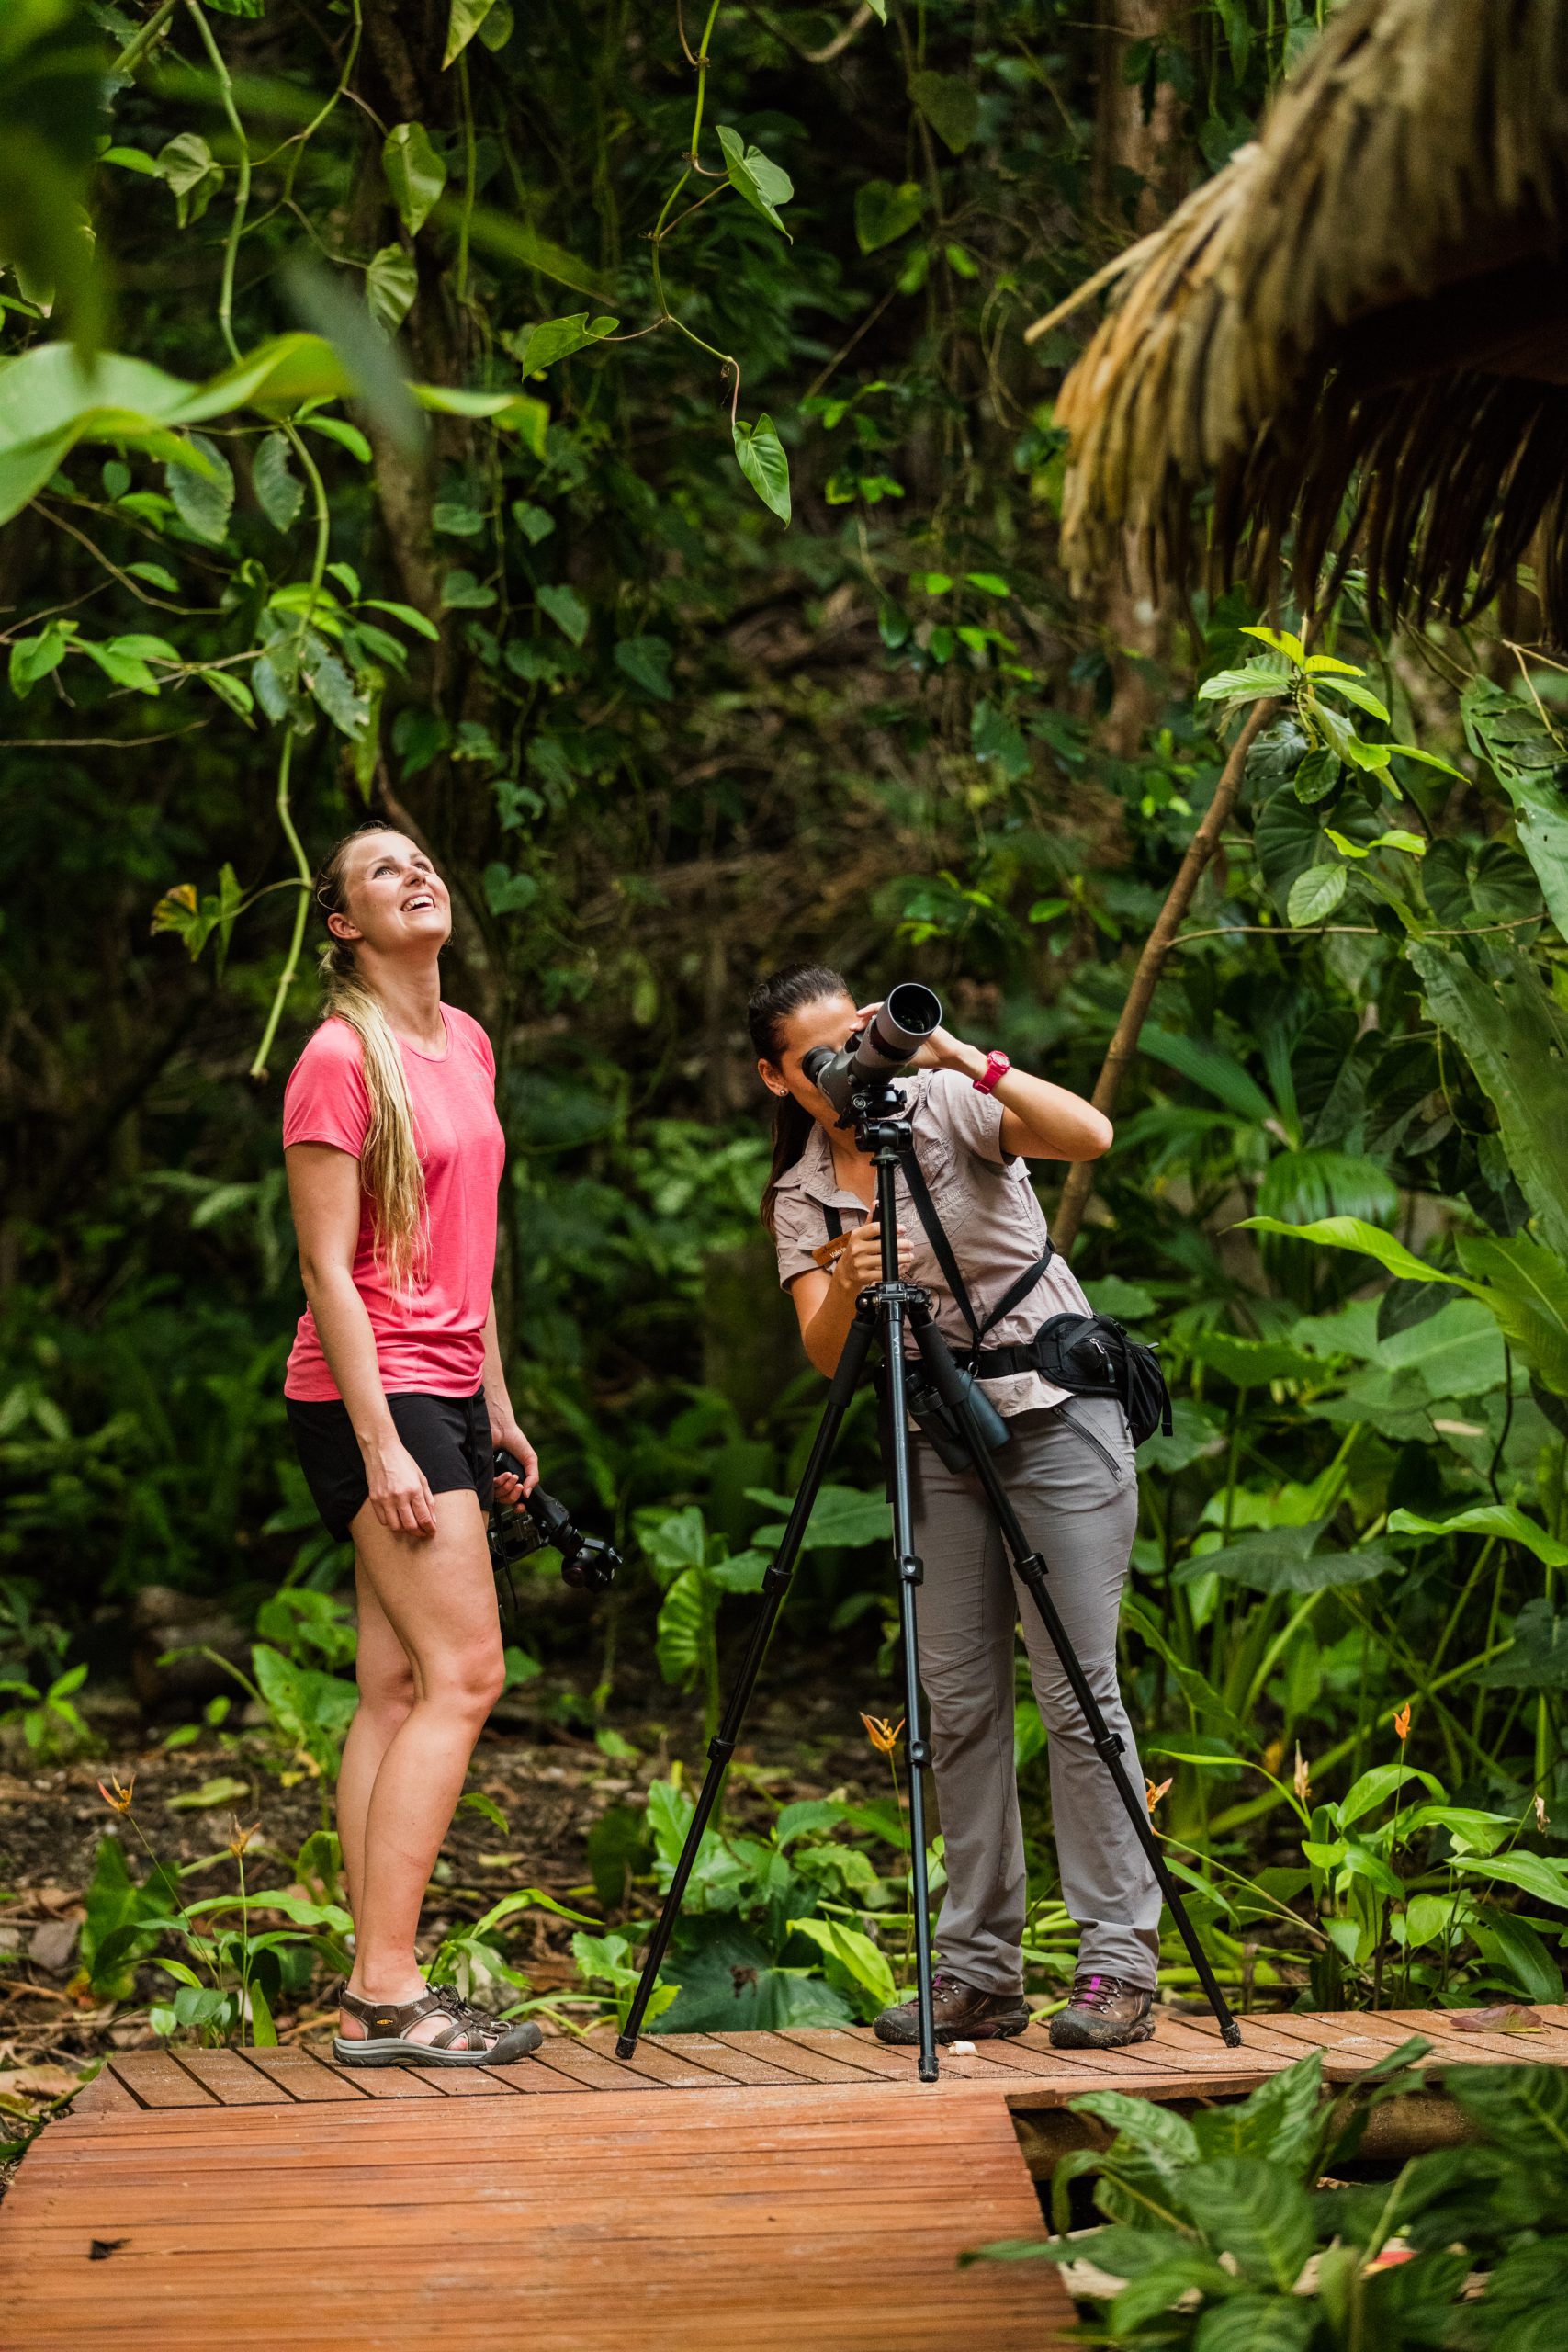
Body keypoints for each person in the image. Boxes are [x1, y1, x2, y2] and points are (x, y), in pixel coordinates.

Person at [749, 963, 1161, 2051]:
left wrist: (960, 1056)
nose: (850, 1068)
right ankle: (980, 1971)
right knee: (959, 1704)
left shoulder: (945, 1102)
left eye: (856, 1037)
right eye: (819, 1059)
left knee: (1077, 1695)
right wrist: (850, 1276)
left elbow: (1089, 1136)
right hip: (940, 1434)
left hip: (1057, 1413)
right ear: (778, 1080)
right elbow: (825, 1353)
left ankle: (1118, 1964)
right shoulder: (802, 1195)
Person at [282, 823, 543, 2068]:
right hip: (370, 1393)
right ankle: (387, 1989)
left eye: (423, 860)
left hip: (443, 1388)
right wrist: (384, 1442)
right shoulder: (339, 1058)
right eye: (383, 871)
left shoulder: (468, 1041)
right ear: (344, 924)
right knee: (467, 1675)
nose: (416, 874)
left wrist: (494, 1402)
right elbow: (326, 1268)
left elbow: (464, 1248)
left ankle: (370, 1993)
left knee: (395, 1688)